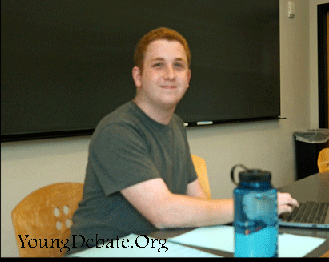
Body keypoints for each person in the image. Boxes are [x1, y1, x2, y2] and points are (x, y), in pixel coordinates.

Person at [68, 27, 298, 254]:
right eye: (158, 65)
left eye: (178, 65)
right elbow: (163, 213)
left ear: (187, 78)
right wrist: (252, 206)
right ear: (138, 76)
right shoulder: (117, 130)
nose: (170, 74)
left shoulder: (176, 125)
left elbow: (197, 199)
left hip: (159, 246)